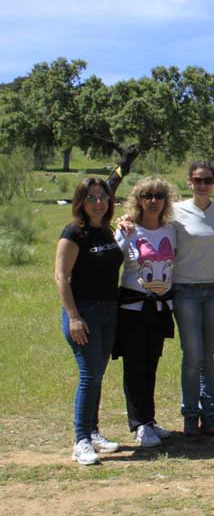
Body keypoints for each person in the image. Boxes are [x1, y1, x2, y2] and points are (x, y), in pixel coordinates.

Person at [55, 178, 123, 465]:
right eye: (92, 197)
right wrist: (73, 317)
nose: (99, 202)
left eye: (103, 197)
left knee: (98, 375)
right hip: (84, 312)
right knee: (88, 376)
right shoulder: (74, 233)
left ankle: (93, 432)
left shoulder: (107, 231)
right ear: (80, 202)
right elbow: (62, 277)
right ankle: (80, 440)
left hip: (109, 311)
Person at [114, 177, 177, 448]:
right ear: (138, 200)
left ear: (166, 200)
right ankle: (138, 425)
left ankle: (149, 420)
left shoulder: (171, 230)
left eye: (158, 196)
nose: (153, 201)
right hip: (133, 309)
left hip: (160, 309)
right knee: (135, 367)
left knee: (151, 365)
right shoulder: (129, 230)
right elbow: (109, 261)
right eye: (147, 196)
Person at [172, 160, 214, 436]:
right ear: (189, 182)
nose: (203, 185)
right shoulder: (175, 212)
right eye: (198, 180)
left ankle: (208, 415)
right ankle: (189, 416)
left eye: (208, 180)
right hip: (185, 289)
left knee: (208, 356)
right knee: (192, 355)